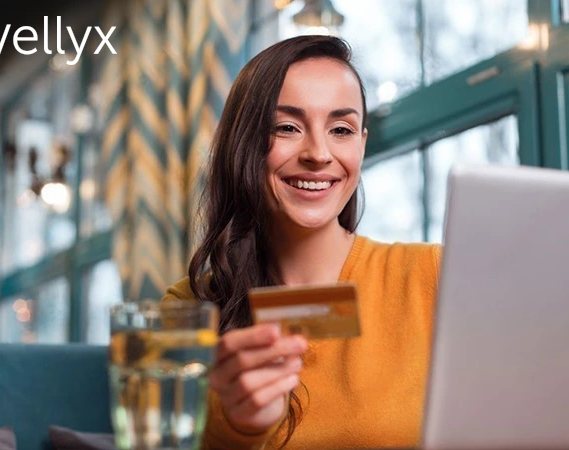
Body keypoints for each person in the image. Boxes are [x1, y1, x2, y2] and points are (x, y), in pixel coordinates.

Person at [162, 35, 441, 449]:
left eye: (341, 129)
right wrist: (238, 426)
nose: (318, 153)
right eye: (287, 127)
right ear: (245, 142)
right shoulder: (186, 311)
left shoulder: (433, 277)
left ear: (362, 145)